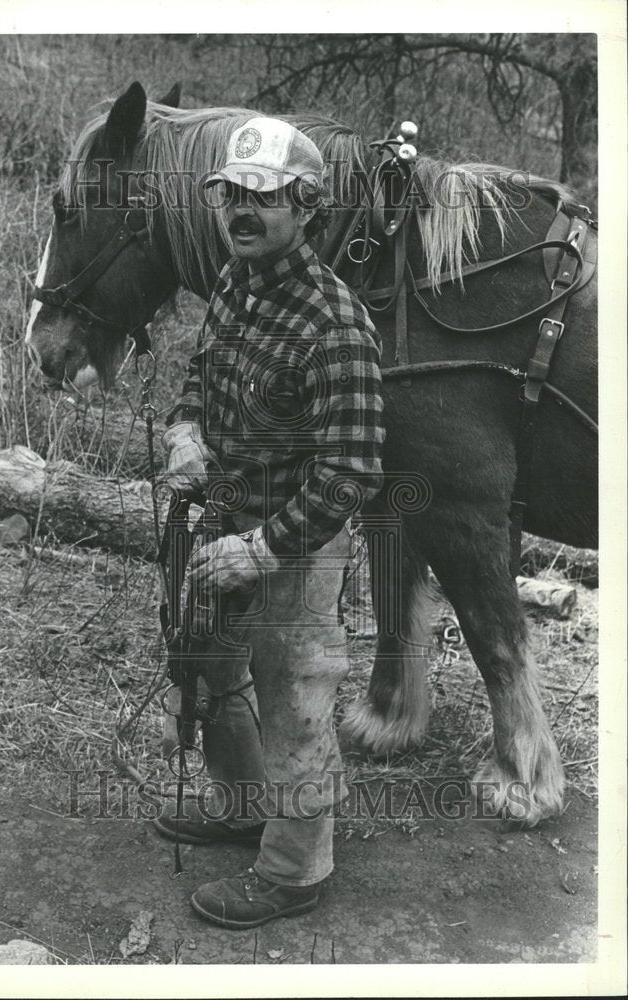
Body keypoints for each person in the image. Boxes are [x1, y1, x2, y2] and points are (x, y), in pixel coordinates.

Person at [157, 116, 385, 929]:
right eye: (232, 195)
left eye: (266, 197)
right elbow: (199, 374)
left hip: (295, 543)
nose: (243, 212)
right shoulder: (233, 282)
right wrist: (186, 429)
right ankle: (245, 807)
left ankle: (295, 870)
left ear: (307, 207)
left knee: (296, 700)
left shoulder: (335, 322)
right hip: (222, 522)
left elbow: (351, 471)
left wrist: (259, 549)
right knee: (214, 668)